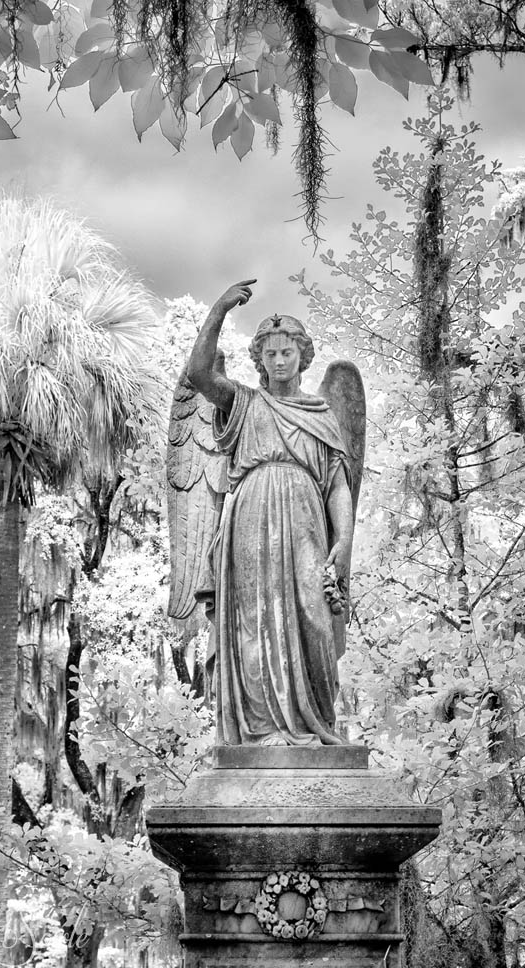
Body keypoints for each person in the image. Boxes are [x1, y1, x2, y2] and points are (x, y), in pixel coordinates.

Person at [187, 279, 355, 745]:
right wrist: (219, 309)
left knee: (314, 619)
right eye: (271, 354)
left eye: (288, 352)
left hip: (305, 521)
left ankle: (315, 725)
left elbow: (338, 485)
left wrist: (345, 541)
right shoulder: (244, 402)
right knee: (256, 618)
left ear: (303, 356)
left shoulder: (322, 414)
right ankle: (263, 732)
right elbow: (199, 374)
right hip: (252, 517)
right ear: (259, 360)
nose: (280, 360)